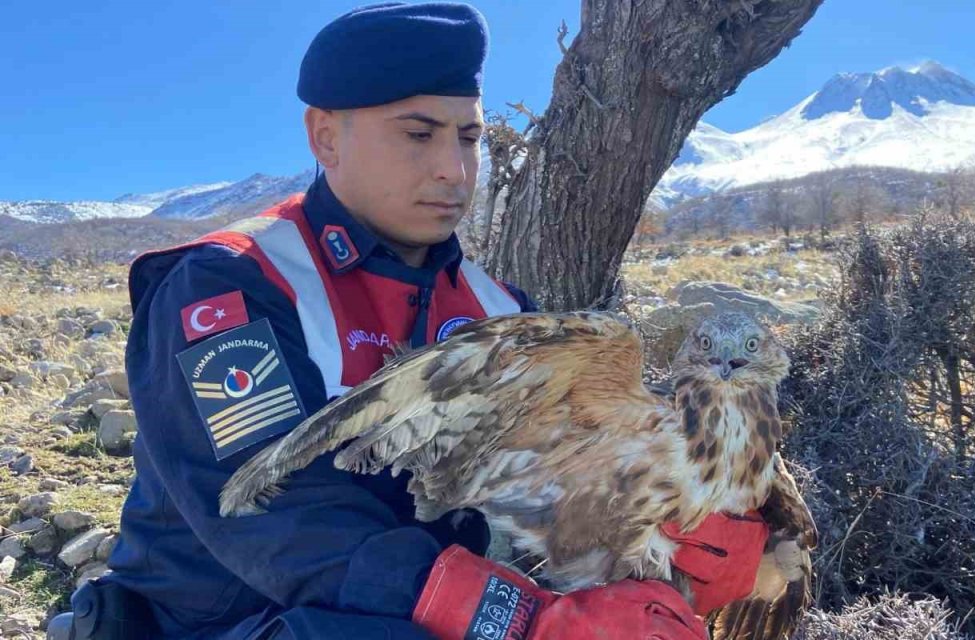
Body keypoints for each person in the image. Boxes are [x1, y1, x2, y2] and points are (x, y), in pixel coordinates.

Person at [62, 3, 769, 639]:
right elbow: (278, 517)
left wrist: (663, 535)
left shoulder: (503, 311)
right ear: (326, 137)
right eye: (419, 134)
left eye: (467, 138)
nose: (454, 171)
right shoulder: (228, 282)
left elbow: (537, 495)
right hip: (230, 622)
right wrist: (519, 621)